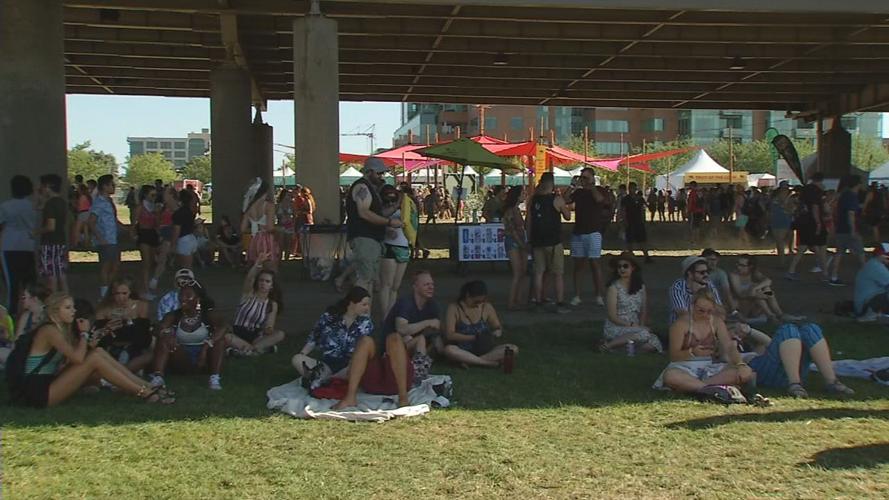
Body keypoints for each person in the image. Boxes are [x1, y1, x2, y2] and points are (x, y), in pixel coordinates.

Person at [14, 292, 173, 408]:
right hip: (38, 391)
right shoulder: (49, 331)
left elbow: (70, 360)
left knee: (97, 353)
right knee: (94, 358)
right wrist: (84, 334)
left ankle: (147, 386)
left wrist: (90, 341)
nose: (73, 311)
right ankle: (144, 392)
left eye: (73, 307)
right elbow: (77, 359)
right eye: (68, 308)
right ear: (55, 311)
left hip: (48, 381)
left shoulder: (59, 329)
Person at [331, 280, 415, 409]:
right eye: (364, 304)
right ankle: (350, 397)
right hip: (371, 378)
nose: (367, 308)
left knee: (395, 338)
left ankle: (403, 398)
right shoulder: (335, 320)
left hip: (397, 379)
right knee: (365, 341)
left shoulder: (376, 328)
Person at [653, 289, 754, 395]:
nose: (705, 315)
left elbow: (729, 346)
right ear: (692, 306)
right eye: (701, 311)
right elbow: (674, 356)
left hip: (710, 368)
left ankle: (696, 388)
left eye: (709, 311)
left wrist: (741, 364)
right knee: (671, 376)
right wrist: (692, 352)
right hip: (684, 366)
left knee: (744, 372)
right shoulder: (680, 324)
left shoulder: (716, 322)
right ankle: (711, 389)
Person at [292, 286, 373, 388]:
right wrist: (303, 354)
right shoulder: (330, 317)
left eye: (368, 305)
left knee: (359, 370)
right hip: (328, 363)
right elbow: (314, 337)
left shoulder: (365, 322)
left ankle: (324, 380)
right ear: (352, 303)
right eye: (364, 304)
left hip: (349, 364)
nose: (367, 308)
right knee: (297, 359)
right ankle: (325, 379)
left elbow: (365, 348)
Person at [745, 322, 854, 397]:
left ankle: (832, 382)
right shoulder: (729, 347)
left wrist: (749, 331)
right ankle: (794, 384)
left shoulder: (744, 339)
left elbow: (768, 342)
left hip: (782, 361)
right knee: (787, 329)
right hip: (760, 371)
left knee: (811, 329)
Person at [345, 157, 402, 302]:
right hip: (365, 237)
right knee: (365, 280)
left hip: (371, 238)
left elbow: (377, 214)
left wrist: (394, 207)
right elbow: (364, 212)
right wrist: (389, 222)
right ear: (369, 172)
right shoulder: (362, 188)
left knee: (368, 280)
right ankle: (359, 315)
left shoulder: (368, 189)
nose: (381, 176)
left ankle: (364, 316)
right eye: (379, 173)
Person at [150, 285, 226, 390]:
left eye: (188, 295)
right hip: (182, 356)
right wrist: (166, 333)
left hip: (204, 356)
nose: (183, 298)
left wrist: (206, 346)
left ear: (198, 299)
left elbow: (224, 327)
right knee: (164, 339)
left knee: (220, 342)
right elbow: (158, 329)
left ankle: (214, 378)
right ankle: (158, 377)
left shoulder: (207, 314)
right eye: (181, 295)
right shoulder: (173, 315)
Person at [443, 280, 518, 368]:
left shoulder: (486, 307)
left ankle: (470, 361)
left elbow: (497, 326)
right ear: (467, 295)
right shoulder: (454, 308)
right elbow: (450, 335)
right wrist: (474, 338)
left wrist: (497, 332)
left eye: (482, 301)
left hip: (486, 348)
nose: (478, 304)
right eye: (476, 301)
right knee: (449, 350)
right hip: (464, 349)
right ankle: (490, 363)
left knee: (513, 349)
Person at [225, 252, 285, 355]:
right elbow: (249, 279)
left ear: (272, 286)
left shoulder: (272, 304)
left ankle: (246, 351)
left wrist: (269, 330)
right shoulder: (249, 295)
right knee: (226, 336)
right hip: (238, 332)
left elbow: (269, 325)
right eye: (261, 280)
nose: (263, 283)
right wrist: (258, 263)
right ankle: (257, 350)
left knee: (280, 334)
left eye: (267, 281)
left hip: (256, 336)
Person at [601, 253, 662, 353]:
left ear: (633, 267)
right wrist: (632, 325)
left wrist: (640, 325)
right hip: (617, 326)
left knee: (653, 343)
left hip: (635, 327)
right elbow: (612, 316)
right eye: (619, 266)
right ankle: (607, 345)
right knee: (644, 334)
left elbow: (644, 310)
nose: (622, 269)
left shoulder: (641, 287)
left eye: (625, 266)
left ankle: (618, 349)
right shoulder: (613, 288)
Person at [528, 172, 571, 313]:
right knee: (558, 273)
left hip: (537, 241)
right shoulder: (557, 199)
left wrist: (529, 239)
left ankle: (538, 302)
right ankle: (560, 304)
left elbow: (528, 221)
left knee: (539, 272)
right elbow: (567, 216)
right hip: (553, 241)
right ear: (553, 183)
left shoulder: (533, 199)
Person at [94, 276, 154, 372]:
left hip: (135, 345)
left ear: (130, 292)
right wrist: (108, 327)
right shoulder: (103, 309)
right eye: (117, 293)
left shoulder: (141, 306)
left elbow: (145, 336)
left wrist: (129, 321)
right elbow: (98, 338)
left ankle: (122, 372)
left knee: (149, 353)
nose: (120, 297)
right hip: (112, 345)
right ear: (112, 293)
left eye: (124, 293)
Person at [567, 168, 606, 307]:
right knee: (578, 265)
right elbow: (566, 200)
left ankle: (599, 295)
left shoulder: (599, 190)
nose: (583, 180)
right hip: (578, 232)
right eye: (581, 177)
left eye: (585, 177)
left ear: (592, 178)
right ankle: (577, 295)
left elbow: (600, 200)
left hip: (594, 232)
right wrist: (572, 185)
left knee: (595, 264)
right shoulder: (578, 192)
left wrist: (591, 186)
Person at [1, 175, 38, 316]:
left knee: (12, 286)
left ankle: (10, 317)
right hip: (27, 246)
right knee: (29, 284)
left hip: (9, 246)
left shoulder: (5, 206)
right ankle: (31, 314)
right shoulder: (32, 207)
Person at [383, 270, 442, 359]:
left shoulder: (433, 304)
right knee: (415, 338)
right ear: (415, 287)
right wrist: (428, 323)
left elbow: (436, 328)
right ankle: (420, 367)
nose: (431, 287)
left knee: (436, 341)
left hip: (416, 344)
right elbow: (402, 329)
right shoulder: (405, 303)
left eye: (432, 284)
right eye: (426, 285)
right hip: (393, 346)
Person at [729, 255, 803, 324]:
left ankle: (778, 315)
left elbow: (768, 281)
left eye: (742, 265)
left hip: (756, 303)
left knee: (766, 289)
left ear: (750, 267)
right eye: (737, 264)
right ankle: (774, 315)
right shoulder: (734, 275)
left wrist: (755, 288)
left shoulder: (754, 273)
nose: (738, 267)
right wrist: (756, 293)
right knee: (761, 292)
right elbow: (740, 294)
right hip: (742, 306)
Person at [786, 172, 829, 282]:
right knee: (821, 247)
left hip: (803, 222)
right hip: (813, 223)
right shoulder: (817, 192)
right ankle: (825, 272)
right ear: (821, 181)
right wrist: (819, 223)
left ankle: (791, 270)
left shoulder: (804, 191)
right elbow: (815, 207)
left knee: (802, 247)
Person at [378, 185, 413, 319]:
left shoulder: (406, 208)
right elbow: (377, 221)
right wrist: (386, 229)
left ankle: (390, 314)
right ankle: (385, 316)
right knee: (387, 284)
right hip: (389, 246)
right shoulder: (383, 209)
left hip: (404, 246)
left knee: (395, 286)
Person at [88, 174, 124, 298]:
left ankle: (109, 288)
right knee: (106, 265)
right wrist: (100, 238)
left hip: (113, 238)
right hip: (106, 240)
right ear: (105, 186)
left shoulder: (109, 201)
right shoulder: (99, 202)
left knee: (115, 264)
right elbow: (91, 221)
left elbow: (114, 220)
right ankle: (104, 293)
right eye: (112, 185)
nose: (114, 187)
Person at [828, 174, 866, 286]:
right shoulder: (852, 196)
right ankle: (869, 276)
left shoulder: (843, 195)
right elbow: (851, 214)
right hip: (849, 230)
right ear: (857, 184)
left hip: (840, 228)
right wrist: (853, 230)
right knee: (861, 254)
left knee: (839, 253)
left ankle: (833, 276)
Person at [36, 174, 69, 293]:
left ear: (48, 186)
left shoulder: (50, 204)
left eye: (42, 186)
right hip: (60, 241)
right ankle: (65, 300)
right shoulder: (61, 202)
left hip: (49, 242)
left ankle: (53, 303)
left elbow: (50, 226)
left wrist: (36, 232)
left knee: (51, 276)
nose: (40, 188)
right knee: (61, 274)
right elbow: (40, 207)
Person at [668, 255, 722, 326]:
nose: (706, 275)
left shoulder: (709, 284)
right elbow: (683, 315)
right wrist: (697, 295)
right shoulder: (678, 287)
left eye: (707, 271)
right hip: (683, 328)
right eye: (702, 272)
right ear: (690, 274)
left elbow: (721, 312)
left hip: (706, 326)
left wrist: (705, 293)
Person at [241, 178, 280, 271]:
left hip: (254, 240)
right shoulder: (268, 206)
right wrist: (279, 229)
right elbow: (270, 227)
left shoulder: (248, 206)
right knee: (271, 269)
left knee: (256, 270)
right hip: (267, 240)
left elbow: (243, 228)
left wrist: (255, 228)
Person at [502, 186, 529, 310]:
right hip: (513, 241)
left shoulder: (516, 209)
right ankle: (511, 301)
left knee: (522, 271)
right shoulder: (510, 210)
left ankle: (518, 298)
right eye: (523, 193)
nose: (525, 194)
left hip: (520, 240)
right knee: (517, 273)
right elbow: (512, 230)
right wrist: (521, 243)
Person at [131, 185, 161, 299]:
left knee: (152, 262)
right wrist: (133, 234)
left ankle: (145, 286)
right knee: (146, 262)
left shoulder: (154, 207)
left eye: (155, 195)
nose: (154, 197)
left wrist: (157, 213)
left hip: (152, 234)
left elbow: (157, 223)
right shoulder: (140, 207)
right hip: (143, 234)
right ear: (145, 195)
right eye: (152, 195)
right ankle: (144, 289)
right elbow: (134, 223)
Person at [853, 243, 889, 321]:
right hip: (866, 306)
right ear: (881, 255)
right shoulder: (876, 267)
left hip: (863, 304)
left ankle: (878, 314)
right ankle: (871, 315)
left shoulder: (873, 264)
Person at [621, 181, 652, 262]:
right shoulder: (625, 199)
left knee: (642, 240)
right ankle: (631, 257)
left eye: (634, 188)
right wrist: (624, 221)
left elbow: (643, 210)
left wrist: (644, 220)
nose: (633, 190)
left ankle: (647, 256)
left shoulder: (640, 198)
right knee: (630, 241)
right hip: (630, 222)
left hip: (639, 222)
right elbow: (623, 211)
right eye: (631, 188)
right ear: (629, 189)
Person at [701, 248, 735, 313]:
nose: (713, 262)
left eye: (714, 260)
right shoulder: (698, 273)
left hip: (718, 303)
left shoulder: (721, 274)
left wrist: (733, 310)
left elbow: (727, 292)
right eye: (709, 260)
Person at [768, 182, 795, 265]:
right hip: (783, 220)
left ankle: (782, 259)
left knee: (779, 241)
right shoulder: (788, 198)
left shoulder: (774, 196)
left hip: (777, 220)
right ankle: (783, 259)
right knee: (781, 241)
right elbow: (791, 209)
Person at [172, 188, 198, 270]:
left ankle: (187, 281)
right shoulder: (190, 211)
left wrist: (173, 243)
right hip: (191, 238)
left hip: (183, 240)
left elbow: (177, 230)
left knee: (185, 267)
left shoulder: (178, 213)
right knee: (187, 266)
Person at [276, 188, 296, 261]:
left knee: (288, 244)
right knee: (280, 245)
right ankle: (280, 259)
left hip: (289, 226)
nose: (288, 197)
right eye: (287, 195)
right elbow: (276, 215)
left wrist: (293, 225)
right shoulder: (278, 205)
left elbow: (294, 215)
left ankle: (287, 260)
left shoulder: (291, 205)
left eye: (289, 195)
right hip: (281, 226)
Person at [71, 181, 92, 248]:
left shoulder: (82, 197)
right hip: (88, 213)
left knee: (76, 229)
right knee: (86, 230)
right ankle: (86, 244)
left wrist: (74, 204)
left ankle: (75, 244)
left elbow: (79, 207)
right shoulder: (88, 196)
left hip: (83, 213)